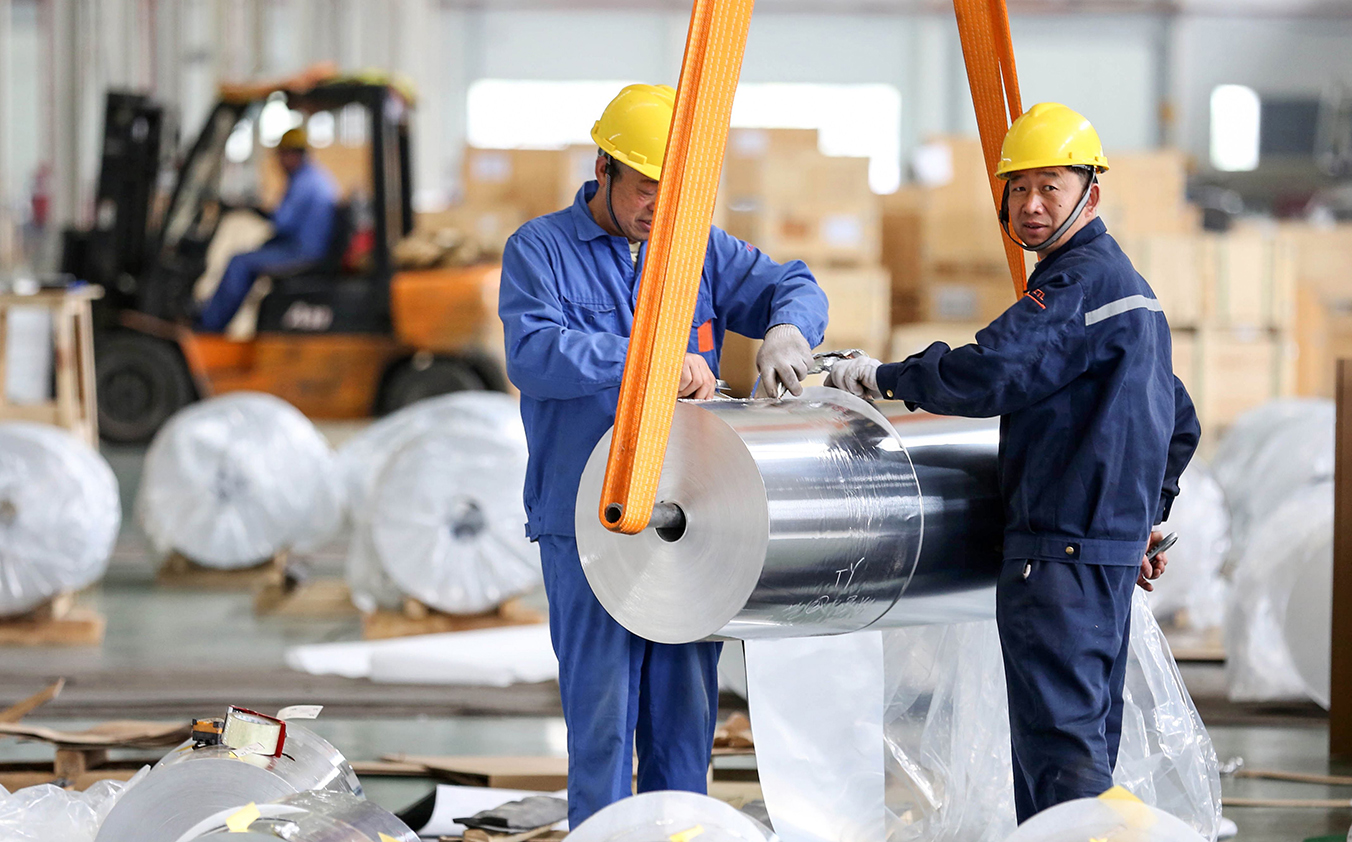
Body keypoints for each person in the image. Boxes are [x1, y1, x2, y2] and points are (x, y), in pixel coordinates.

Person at [825, 102, 1200, 821]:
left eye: (1049, 187)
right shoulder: (1135, 296)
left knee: (1060, 764)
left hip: (1057, 562)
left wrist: (881, 377)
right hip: (1101, 559)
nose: (1030, 205)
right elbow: (1179, 422)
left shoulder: (1076, 288)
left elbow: (991, 371)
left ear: (1090, 191)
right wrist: (1142, 520)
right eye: (1018, 188)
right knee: (1081, 748)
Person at [499, 83, 829, 827]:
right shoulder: (539, 250)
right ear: (603, 169)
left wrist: (787, 331)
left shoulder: (699, 246)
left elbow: (793, 283)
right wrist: (649, 358)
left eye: (676, 192)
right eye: (648, 186)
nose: (660, 207)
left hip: (691, 521)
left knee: (685, 713)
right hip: (588, 517)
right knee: (604, 714)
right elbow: (534, 353)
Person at [195, 127, 340, 332]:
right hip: (304, 246)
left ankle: (208, 327)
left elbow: (281, 222)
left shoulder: (304, 183)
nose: (278, 161)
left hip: (302, 251)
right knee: (254, 252)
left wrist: (251, 208)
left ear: (293, 154)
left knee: (240, 262)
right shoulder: (312, 177)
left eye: (281, 155)